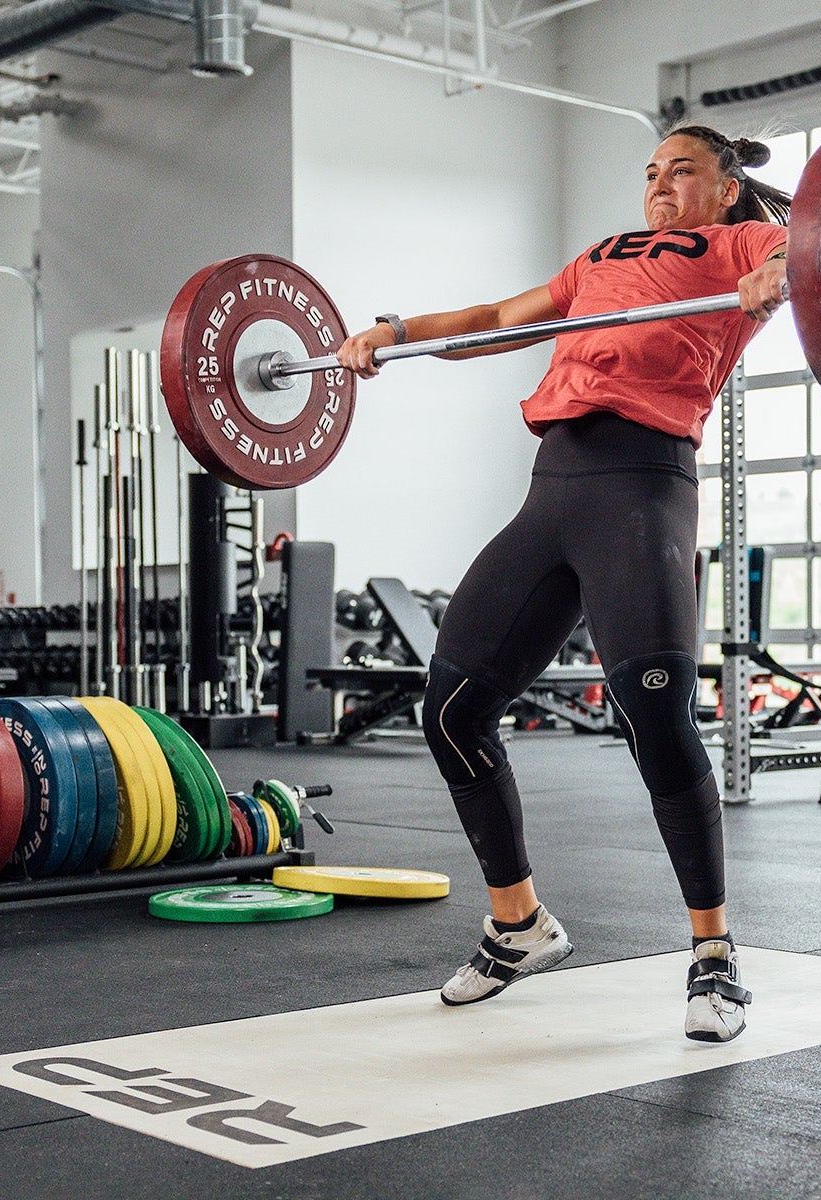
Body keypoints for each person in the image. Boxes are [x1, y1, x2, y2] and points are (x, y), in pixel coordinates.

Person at [336, 125, 792, 1043]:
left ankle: (713, 953)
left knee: (655, 715)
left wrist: (777, 279)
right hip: (555, 491)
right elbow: (502, 321)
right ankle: (519, 924)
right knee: (452, 707)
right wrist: (393, 334)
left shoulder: (741, 244)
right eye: (653, 173)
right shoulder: (599, 258)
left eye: (684, 172)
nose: (661, 186)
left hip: (644, 487)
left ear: (729, 188)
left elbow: (804, 256)